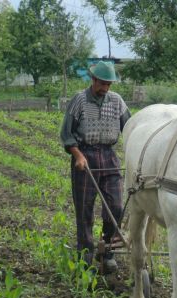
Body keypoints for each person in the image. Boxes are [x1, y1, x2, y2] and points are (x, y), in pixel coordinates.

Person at [60, 61, 131, 271]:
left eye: (109, 84)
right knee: (85, 210)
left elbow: (129, 128)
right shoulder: (79, 101)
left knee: (116, 207)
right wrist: (78, 155)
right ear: (93, 80)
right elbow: (66, 133)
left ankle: (107, 251)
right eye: (102, 83)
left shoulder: (117, 101)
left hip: (109, 157)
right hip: (85, 157)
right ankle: (85, 255)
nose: (106, 88)